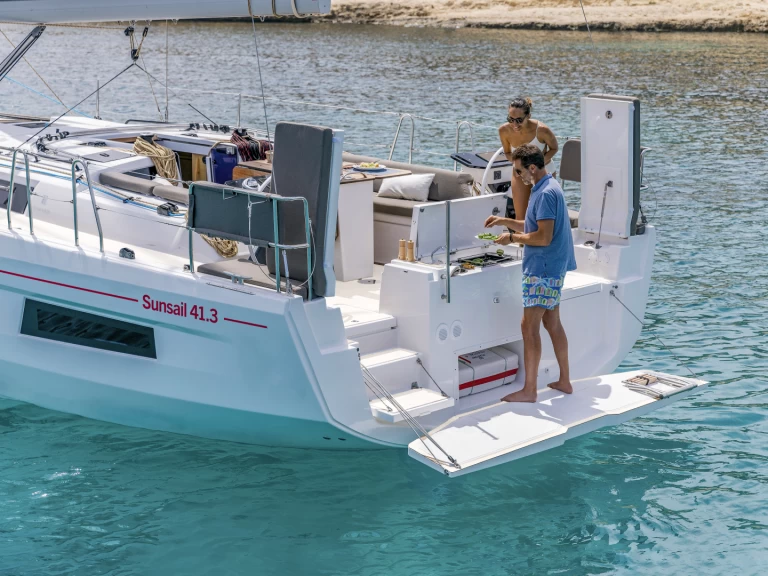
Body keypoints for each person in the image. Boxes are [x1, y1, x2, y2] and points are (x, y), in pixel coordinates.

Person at [484, 144, 576, 403]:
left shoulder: (546, 193)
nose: (518, 176)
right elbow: (534, 224)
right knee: (551, 323)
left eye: (518, 170)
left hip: (543, 269)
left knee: (529, 326)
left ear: (532, 168)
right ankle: (565, 381)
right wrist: (505, 221)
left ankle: (529, 390)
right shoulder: (546, 187)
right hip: (552, 267)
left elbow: (543, 237)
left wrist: (512, 238)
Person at [498, 97, 558, 221]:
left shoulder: (542, 130)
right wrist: (521, 168)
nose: (514, 124)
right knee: (521, 217)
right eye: (511, 119)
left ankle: (545, 239)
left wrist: (537, 164)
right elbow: (508, 153)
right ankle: (522, 240)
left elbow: (554, 148)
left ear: (528, 116)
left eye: (519, 120)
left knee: (544, 216)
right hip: (520, 173)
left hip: (543, 171)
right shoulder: (503, 130)